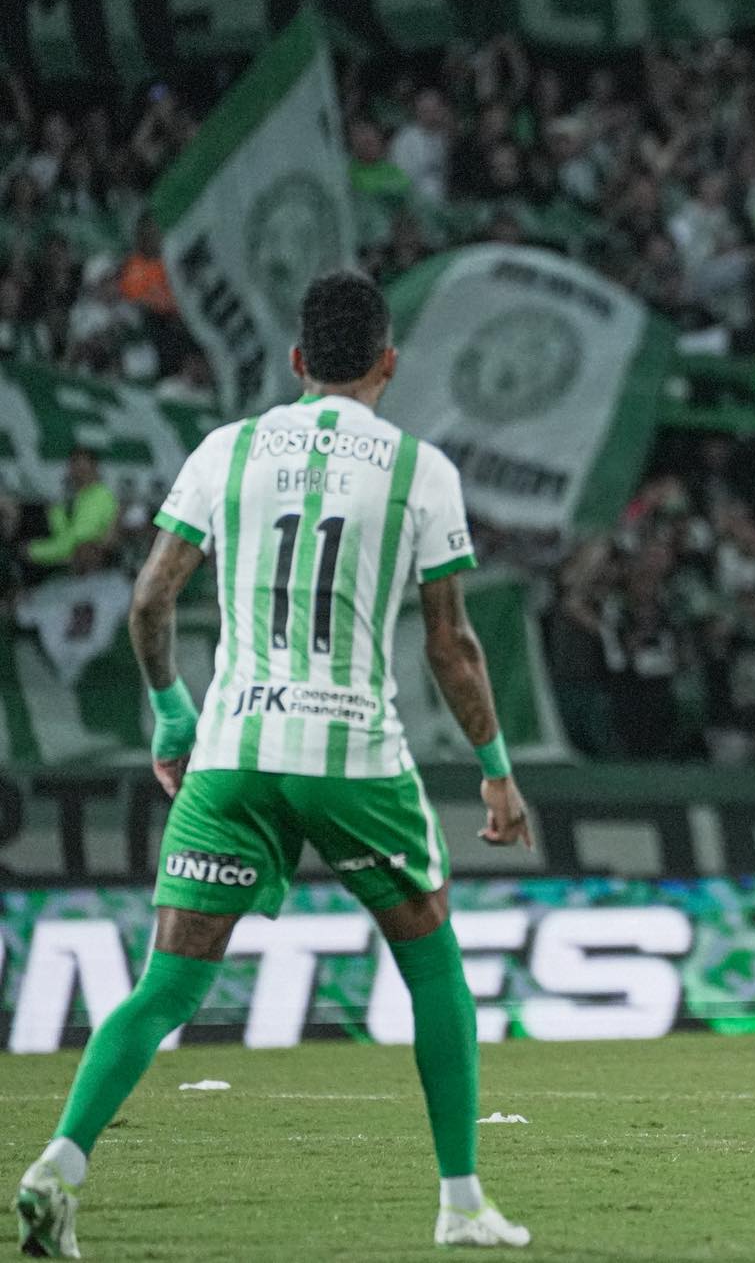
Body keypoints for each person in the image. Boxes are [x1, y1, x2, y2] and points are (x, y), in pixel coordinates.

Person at [15, 271, 533, 1256]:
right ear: (388, 363)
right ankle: (462, 1204)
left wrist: (173, 714)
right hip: (353, 756)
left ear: (296, 361)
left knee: (167, 984)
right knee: (432, 964)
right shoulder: (420, 469)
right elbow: (451, 643)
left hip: (233, 751)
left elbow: (148, 601)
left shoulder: (227, 449)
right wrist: (496, 770)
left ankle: (60, 1165)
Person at [23, 448, 116, 573]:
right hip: (58, 564)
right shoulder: (68, 500)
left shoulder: (101, 496)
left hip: (88, 569)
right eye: (74, 464)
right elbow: (62, 537)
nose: (78, 470)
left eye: (82, 465)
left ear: (94, 467)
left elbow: (79, 541)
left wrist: (35, 551)